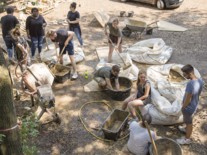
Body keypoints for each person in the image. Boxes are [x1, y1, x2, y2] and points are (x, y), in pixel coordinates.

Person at [176, 64, 204, 145]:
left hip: (188, 107)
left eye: (184, 74)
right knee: (188, 121)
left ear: (190, 74)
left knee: (189, 123)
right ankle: (185, 129)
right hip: (194, 105)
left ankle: (187, 139)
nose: (184, 76)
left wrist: (184, 105)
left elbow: (189, 98)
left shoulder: (190, 84)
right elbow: (198, 93)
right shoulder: (200, 81)